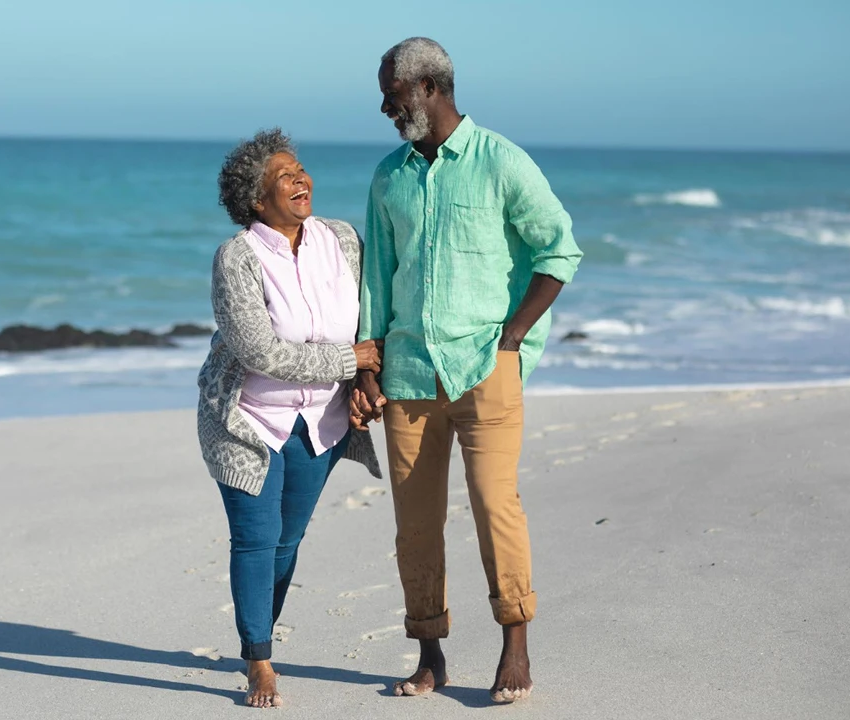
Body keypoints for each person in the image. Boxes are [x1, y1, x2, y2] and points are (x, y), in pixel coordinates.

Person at [350, 37, 583, 703]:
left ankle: (515, 646)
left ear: (428, 88)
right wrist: (367, 363)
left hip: (486, 367)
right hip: (409, 375)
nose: (385, 108)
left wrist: (512, 337)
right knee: (415, 523)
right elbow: (377, 281)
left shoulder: (500, 161)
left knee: (493, 505)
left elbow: (558, 249)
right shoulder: (388, 176)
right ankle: (430, 653)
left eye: (393, 95)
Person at [197, 128, 384, 708]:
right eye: (284, 175)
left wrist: (360, 380)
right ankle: (259, 660)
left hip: (321, 423)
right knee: (255, 539)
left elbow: (365, 323)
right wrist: (347, 360)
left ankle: (260, 636)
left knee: (288, 540)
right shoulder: (238, 258)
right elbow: (259, 352)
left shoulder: (342, 240)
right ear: (257, 200)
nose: (301, 179)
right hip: (249, 420)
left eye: (300, 169)